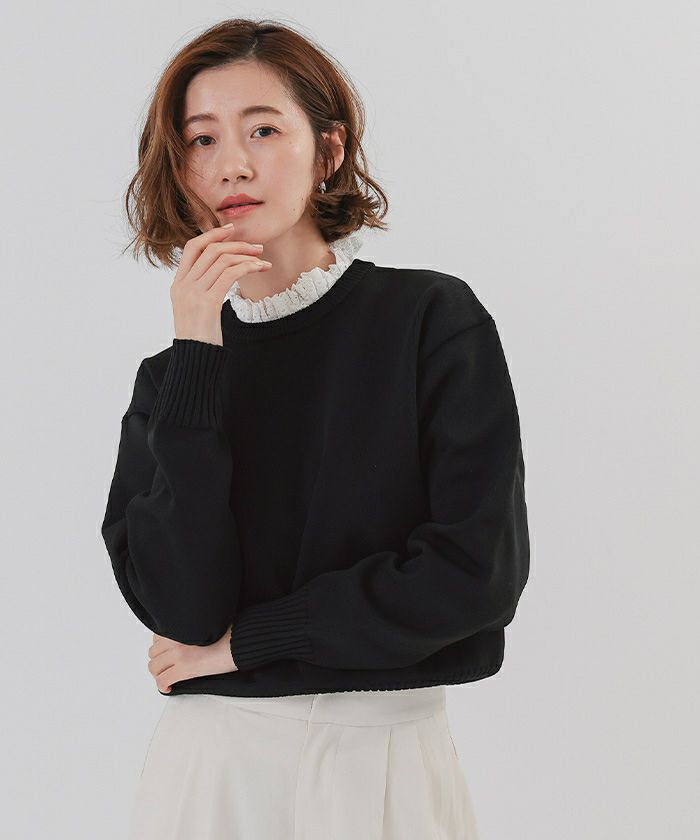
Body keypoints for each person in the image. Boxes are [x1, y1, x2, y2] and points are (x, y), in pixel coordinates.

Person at [101, 17, 530, 840]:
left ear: (327, 150)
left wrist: (249, 644)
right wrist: (197, 350)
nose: (232, 163)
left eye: (263, 129)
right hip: (215, 771)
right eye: (202, 139)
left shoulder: (429, 320)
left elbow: (475, 576)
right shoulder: (172, 382)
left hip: (385, 759)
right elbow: (183, 612)